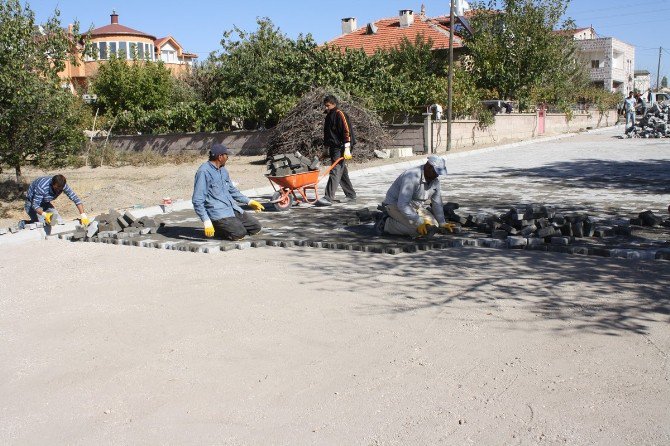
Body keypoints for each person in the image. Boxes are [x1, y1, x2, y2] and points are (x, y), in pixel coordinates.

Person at [192, 143, 265, 240]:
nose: (228, 158)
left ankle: (227, 226)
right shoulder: (204, 172)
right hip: (218, 213)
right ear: (220, 156)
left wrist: (249, 202)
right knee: (239, 233)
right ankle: (217, 227)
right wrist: (206, 221)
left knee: (255, 227)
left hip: (231, 208)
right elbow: (197, 200)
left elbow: (232, 190)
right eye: (227, 155)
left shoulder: (223, 171)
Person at [376, 156, 456, 237]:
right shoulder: (411, 177)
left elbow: (437, 203)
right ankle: (386, 223)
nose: (437, 175)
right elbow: (402, 205)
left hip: (414, 207)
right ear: (428, 167)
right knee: (417, 230)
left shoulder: (434, 181)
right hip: (394, 205)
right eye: (435, 172)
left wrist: (442, 222)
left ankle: (404, 222)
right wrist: (419, 221)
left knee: (434, 226)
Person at [317, 94, 357, 206]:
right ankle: (351, 194)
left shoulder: (340, 114)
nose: (326, 108)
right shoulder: (328, 116)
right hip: (334, 146)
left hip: (342, 146)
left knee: (335, 170)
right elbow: (327, 134)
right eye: (325, 105)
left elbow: (346, 131)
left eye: (327, 105)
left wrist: (347, 148)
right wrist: (325, 149)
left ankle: (328, 197)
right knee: (341, 171)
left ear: (334, 104)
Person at [23, 174, 89, 227]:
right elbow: (35, 205)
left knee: (58, 221)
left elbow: (75, 198)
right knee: (40, 224)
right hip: (31, 203)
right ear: (52, 184)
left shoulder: (62, 186)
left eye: (60, 189)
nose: (58, 190)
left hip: (45, 203)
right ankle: (23, 223)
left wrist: (83, 215)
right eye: (57, 188)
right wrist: (45, 214)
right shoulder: (42, 187)